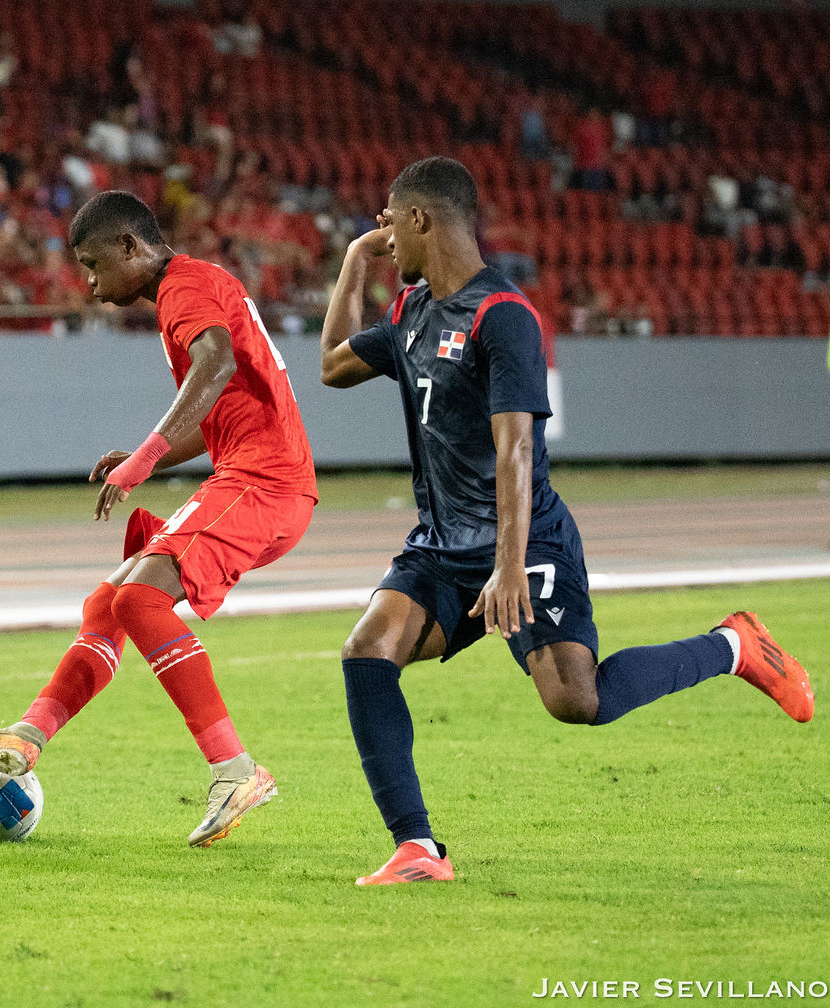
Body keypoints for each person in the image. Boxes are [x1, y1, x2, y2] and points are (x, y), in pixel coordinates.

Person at [319, 156, 814, 886]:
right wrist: (355, 263)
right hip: (442, 545)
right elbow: (332, 367)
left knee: (577, 701)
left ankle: (732, 646)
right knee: (366, 651)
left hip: (526, 542)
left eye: (391, 224)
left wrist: (508, 566)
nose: (385, 236)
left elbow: (516, 448)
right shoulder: (410, 312)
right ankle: (417, 847)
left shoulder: (503, 316)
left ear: (422, 218)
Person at [0, 190, 318, 847]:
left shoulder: (182, 288)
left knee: (140, 599)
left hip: (264, 482)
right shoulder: (192, 286)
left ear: (131, 247)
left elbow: (217, 362)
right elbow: (222, 403)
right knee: (107, 604)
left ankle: (235, 770)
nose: (88, 281)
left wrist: (148, 455)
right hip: (251, 477)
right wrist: (151, 453)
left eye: (93, 264)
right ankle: (26, 738)